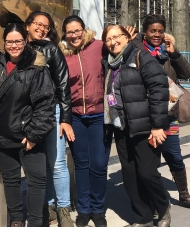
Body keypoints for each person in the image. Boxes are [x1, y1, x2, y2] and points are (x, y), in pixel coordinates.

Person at [0, 23, 56, 227]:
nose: (14, 45)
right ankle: (16, 219)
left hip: (28, 134)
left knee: (36, 181)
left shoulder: (36, 66)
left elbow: (45, 103)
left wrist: (34, 134)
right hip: (2, 132)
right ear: (4, 42)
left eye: (18, 41)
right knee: (11, 180)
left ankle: (34, 221)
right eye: (10, 41)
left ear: (25, 42)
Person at [102, 25, 172, 227]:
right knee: (130, 174)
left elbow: (159, 91)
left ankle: (163, 206)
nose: (113, 42)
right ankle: (142, 217)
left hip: (144, 126)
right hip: (121, 126)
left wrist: (157, 125)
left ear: (127, 37)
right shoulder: (109, 64)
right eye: (108, 39)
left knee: (147, 173)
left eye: (117, 37)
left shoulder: (142, 58)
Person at [138, 14, 190, 212]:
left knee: (174, 155)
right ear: (146, 32)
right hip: (145, 114)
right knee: (148, 160)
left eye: (160, 31)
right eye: (153, 31)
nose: (157, 35)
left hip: (168, 113)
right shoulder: (138, 52)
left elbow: (187, 73)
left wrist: (174, 53)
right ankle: (151, 203)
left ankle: (184, 195)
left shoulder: (168, 53)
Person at [59, 15, 111, 227]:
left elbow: (121, 51)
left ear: (84, 29)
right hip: (76, 117)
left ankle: (98, 209)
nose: (74, 35)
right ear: (65, 34)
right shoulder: (62, 54)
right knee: (81, 164)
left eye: (77, 30)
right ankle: (83, 208)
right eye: (69, 32)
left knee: (98, 164)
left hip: (99, 114)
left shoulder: (98, 46)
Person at [24, 11, 74, 227]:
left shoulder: (51, 48)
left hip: (52, 111)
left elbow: (63, 84)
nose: (42, 29)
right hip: (28, 114)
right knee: (40, 164)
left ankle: (64, 209)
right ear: (28, 25)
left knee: (57, 163)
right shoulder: (19, 47)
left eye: (46, 26)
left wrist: (64, 117)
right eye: (38, 24)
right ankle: (48, 206)